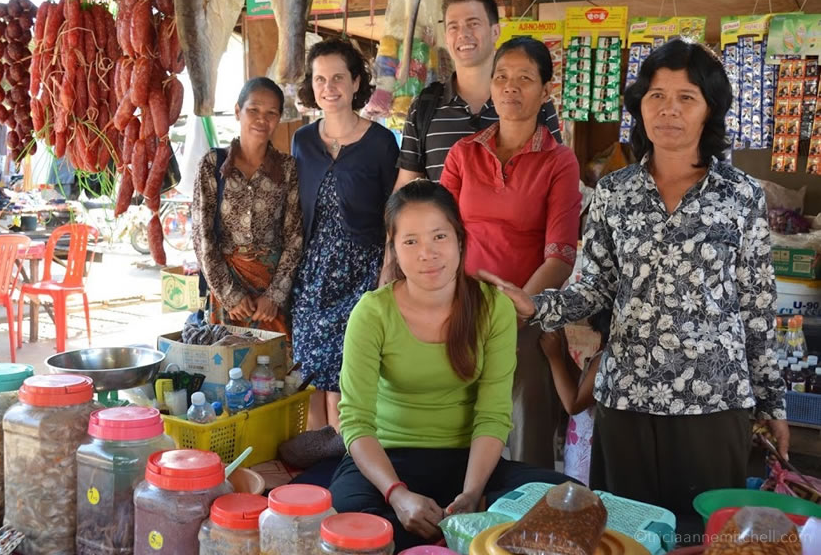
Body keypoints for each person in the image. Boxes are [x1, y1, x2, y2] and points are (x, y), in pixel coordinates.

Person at [479, 39, 788, 537]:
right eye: (655, 95)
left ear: (709, 110)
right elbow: (593, 288)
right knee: (627, 534)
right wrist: (535, 305)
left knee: (702, 537)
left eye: (686, 98)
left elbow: (756, 308)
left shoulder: (741, 195)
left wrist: (772, 404)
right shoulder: (614, 192)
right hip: (627, 396)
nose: (668, 109)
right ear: (639, 106)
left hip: (711, 401)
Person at [330, 180, 572, 551]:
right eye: (410, 241)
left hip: (468, 463)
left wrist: (473, 494)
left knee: (568, 499)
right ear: (393, 248)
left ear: (460, 239)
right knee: (351, 520)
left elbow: (493, 415)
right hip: (388, 462)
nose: (427, 253)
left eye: (439, 236)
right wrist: (397, 494)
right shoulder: (372, 312)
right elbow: (355, 421)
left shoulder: (493, 308)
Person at [439, 37, 582, 468]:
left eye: (524, 78)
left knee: (524, 436)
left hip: (526, 317)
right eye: (501, 77)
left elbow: (560, 256)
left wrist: (515, 312)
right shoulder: (464, 153)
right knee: (454, 427)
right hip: (461, 309)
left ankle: (524, 519)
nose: (510, 88)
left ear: (545, 91)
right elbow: (441, 232)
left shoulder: (560, 161)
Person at [291, 38, 399, 431]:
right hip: (311, 274)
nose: (328, 87)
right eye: (320, 79)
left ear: (356, 83)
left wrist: (387, 269)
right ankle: (317, 468)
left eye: (338, 77)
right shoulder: (302, 141)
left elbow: (395, 212)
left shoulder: (381, 142)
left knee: (342, 379)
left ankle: (347, 465)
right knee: (308, 377)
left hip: (362, 271)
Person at [393, 0, 561, 191]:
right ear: (446, 37)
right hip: (444, 223)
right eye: (453, 27)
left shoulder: (532, 102)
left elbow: (556, 177)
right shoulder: (424, 106)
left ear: (495, 32)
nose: (463, 34)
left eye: (473, 24)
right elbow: (406, 186)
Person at [192, 77, 303, 336]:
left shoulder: (287, 169)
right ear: (237, 111)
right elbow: (201, 237)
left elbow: (295, 236)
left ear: (279, 118)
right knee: (225, 359)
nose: (262, 119)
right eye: (253, 109)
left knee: (274, 367)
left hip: (271, 293)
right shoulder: (213, 164)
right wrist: (230, 294)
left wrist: (274, 296)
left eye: (271, 112)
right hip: (226, 289)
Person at [540, 310, 611, 486]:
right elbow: (583, 384)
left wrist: (554, 358)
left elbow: (574, 404)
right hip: (580, 447)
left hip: (586, 453)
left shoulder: (605, 358)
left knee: (581, 497)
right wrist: (562, 349)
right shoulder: (602, 354)